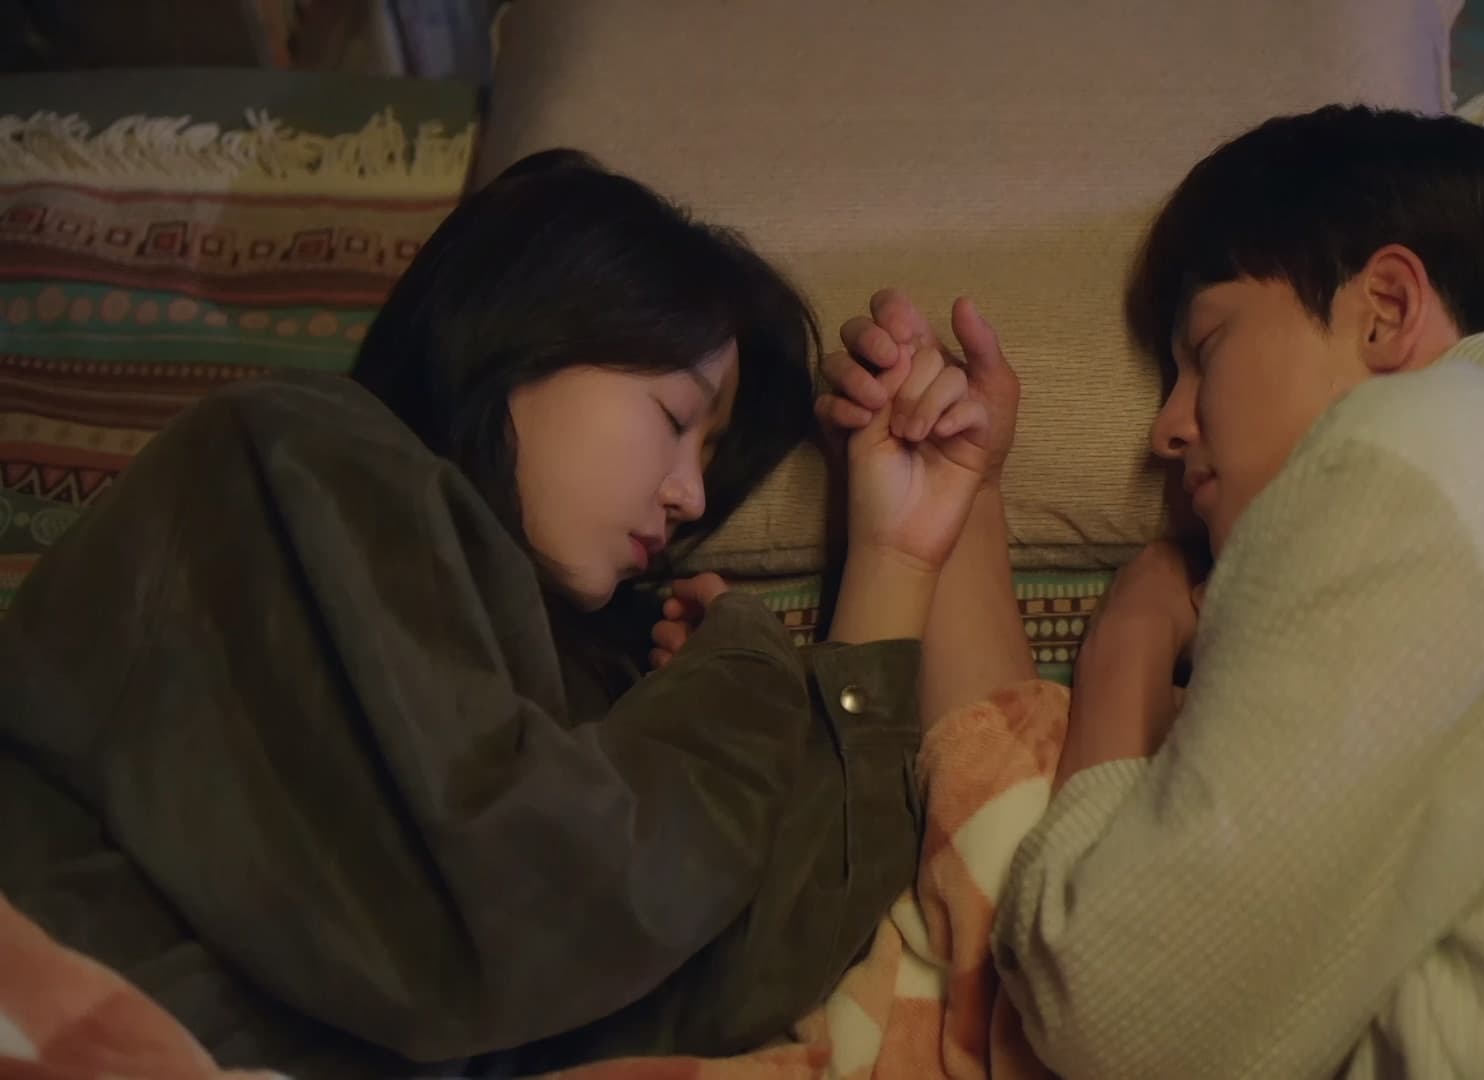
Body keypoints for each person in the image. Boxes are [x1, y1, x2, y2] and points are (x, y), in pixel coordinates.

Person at [834, 107, 1484, 1077]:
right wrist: (965, 506)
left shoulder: (1412, 455)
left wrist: (1129, 634)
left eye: (1206, 349)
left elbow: (1104, 1015)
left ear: (1386, 310)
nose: (1168, 427)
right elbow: (1036, 843)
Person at [0, 150, 1005, 1075]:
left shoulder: (574, 697)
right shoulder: (295, 460)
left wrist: (892, 556)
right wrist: (743, 684)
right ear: (528, 332)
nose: (692, 498)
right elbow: (507, 913)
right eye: (674, 419)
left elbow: (723, 989)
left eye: (709, 459)